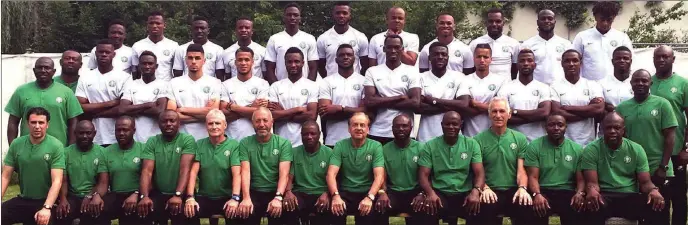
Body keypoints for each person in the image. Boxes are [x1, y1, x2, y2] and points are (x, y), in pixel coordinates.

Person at [616, 69, 677, 224]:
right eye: (636, 80)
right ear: (631, 83)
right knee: (637, 214)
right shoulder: (622, 108)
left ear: (651, 83)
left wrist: (663, 166)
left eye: (644, 80)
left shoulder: (663, 104)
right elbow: (620, 139)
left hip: (659, 168)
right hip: (634, 170)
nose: (640, 83)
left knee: (659, 213)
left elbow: (670, 137)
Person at [582, 112, 666, 225]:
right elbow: (592, 183)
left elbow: (645, 182)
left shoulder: (636, 149)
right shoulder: (592, 149)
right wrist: (591, 190)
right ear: (602, 128)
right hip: (605, 195)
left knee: (655, 204)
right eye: (608, 128)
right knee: (591, 204)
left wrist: (653, 190)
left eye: (616, 128)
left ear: (623, 130)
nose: (612, 131)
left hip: (629, 196)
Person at [472, 97, 532, 225]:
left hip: (512, 189)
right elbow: (477, 172)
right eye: (494, 111)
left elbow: (521, 171)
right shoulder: (478, 140)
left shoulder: (520, 138)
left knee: (525, 205)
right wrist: (485, 188)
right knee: (484, 207)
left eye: (502, 111)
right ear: (489, 115)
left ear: (509, 115)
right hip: (489, 189)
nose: (498, 115)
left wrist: (522, 188)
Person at [418, 111, 484, 225]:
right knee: (428, 207)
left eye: (455, 124)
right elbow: (423, 175)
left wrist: (476, 191)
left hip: (465, 193)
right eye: (447, 124)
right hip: (440, 193)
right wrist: (430, 193)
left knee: (478, 207)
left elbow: (480, 173)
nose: (451, 127)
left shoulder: (472, 144)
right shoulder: (430, 145)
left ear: (461, 125)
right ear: (441, 125)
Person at [1, 107, 65, 225]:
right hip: (23, 199)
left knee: (44, 220)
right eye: (33, 122)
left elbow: (57, 181)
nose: (37, 126)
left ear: (47, 125)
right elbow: (5, 176)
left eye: (41, 122)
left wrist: (46, 208)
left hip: (45, 201)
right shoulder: (16, 144)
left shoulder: (56, 146)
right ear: (27, 124)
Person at [137, 110, 197, 225]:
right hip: (158, 193)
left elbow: (185, 170)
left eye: (172, 121)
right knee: (144, 208)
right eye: (164, 121)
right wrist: (144, 196)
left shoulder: (187, 140)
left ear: (179, 123)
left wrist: (177, 195)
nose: (168, 124)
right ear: (159, 124)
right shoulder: (152, 141)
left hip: (181, 193)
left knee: (188, 212)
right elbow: (147, 171)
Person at [523, 114, 586, 225]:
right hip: (543, 191)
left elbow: (581, 179)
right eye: (551, 125)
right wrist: (537, 194)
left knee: (578, 211)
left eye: (560, 125)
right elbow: (532, 177)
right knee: (534, 212)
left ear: (566, 127)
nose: (556, 128)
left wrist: (580, 193)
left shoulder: (577, 149)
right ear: (545, 127)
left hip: (567, 192)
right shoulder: (534, 146)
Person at [5, 57, 82, 146]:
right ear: (34, 70)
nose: (43, 70)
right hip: (27, 150)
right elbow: (13, 122)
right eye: (39, 67)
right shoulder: (21, 91)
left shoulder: (66, 92)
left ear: (53, 71)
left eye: (47, 68)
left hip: (59, 149)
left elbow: (73, 123)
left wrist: (70, 149)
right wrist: (12, 148)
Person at [650, 45, 688, 225]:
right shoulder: (647, 82)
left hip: (676, 150)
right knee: (659, 198)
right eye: (658, 57)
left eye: (665, 57)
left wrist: (686, 148)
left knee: (678, 196)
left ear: (673, 59)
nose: (661, 60)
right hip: (654, 152)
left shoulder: (682, 84)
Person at [235, 107, 293, 225]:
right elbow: (245, 171)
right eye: (258, 121)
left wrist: (278, 197)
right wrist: (246, 198)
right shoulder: (245, 143)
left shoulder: (283, 143)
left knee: (284, 212)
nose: (261, 124)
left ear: (272, 122)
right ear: (252, 124)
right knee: (245, 212)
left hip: (275, 190)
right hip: (253, 191)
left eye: (265, 120)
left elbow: (284, 174)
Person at [183, 109, 242, 225]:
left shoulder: (233, 145)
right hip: (205, 196)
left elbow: (237, 174)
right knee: (188, 211)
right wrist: (190, 197)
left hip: (227, 196)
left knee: (237, 213)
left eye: (218, 123)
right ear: (206, 126)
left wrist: (235, 198)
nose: (214, 127)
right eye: (210, 123)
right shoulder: (199, 144)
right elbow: (193, 173)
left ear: (225, 125)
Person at [327, 112, 385, 225]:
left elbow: (379, 176)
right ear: (349, 128)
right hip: (345, 193)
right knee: (335, 210)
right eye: (355, 125)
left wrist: (370, 197)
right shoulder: (340, 145)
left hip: (367, 192)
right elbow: (331, 174)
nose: (359, 128)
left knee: (371, 213)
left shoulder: (376, 146)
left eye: (362, 125)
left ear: (368, 129)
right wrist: (335, 196)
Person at [363, 34, 421, 145]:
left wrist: (381, 100)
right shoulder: (372, 71)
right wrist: (399, 98)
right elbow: (369, 102)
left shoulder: (412, 71)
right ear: (384, 49)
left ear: (402, 49)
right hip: (378, 131)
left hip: (405, 133)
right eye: (389, 47)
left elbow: (415, 102)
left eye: (397, 47)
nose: (393, 50)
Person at [76, 39, 131, 147]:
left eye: (107, 52)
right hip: (92, 136)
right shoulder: (85, 77)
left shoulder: (125, 77)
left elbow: (122, 109)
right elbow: (80, 106)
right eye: (101, 52)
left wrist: (94, 112)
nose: (104, 55)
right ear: (96, 53)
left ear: (114, 54)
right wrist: (110, 103)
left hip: (116, 136)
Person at [54, 120, 109, 225]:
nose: (84, 136)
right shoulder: (65, 153)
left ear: (94, 133)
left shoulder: (103, 152)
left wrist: (91, 196)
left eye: (88, 133)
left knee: (98, 212)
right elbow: (63, 180)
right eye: (81, 133)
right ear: (75, 133)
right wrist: (63, 199)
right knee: (61, 213)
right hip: (72, 196)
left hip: (93, 194)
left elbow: (103, 182)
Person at [282, 121, 334, 225]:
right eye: (305, 134)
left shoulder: (329, 153)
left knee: (326, 209)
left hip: (321, 192)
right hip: (300, 192)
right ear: (301, 135)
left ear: (319, 134)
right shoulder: (294, 152)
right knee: (288, 205)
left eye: (313, 133)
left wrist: (327, 194)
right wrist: (288, 192)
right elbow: (289, 177)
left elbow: (334, 178)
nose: (309, 137)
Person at [376, 115, 425, 225]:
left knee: (425, 208)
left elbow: (427, 175)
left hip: (415, 192)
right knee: (379, 206)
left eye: (404, 126)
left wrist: (423, 193)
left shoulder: (422, 148)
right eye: (397, 126)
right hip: (393, 193)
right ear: (392, 128)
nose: (401, 129)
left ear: (411, 128)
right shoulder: (383, 149)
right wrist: (382, 192)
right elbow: (380, 175)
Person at [168, 43, 222, 141]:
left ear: (204, 61)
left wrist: (183, 109)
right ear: (185, 60)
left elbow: (213, 113)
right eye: (190, 58)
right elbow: (172, 116)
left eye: (197, 58)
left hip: (206, 139)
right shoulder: (174, 83)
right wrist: (204, 115)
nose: (193, 61)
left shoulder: (215, 83)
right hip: (181, 139)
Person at [550, 49, 605, 146]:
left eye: (575, 60)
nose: (571, 64)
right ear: (562, 64)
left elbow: (599, 109)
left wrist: (567, 108)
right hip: (564, 143)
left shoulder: (592, 85)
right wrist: (588, 112)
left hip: (588, 143)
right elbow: (557, 112)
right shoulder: (554, 86)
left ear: (581, 63)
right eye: (567, 61)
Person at [416, 42, 467, 142]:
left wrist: (433, 101)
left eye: (443, 54)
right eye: (436, 54)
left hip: (452, 138)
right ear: (429, 58)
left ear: (448, 58)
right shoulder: (420, 77)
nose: (440, 57)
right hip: (426, 136)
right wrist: (452, 105)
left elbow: (464, 104)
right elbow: (418, 108)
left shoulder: (459, 77)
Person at [318, 44, 367, 147]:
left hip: (359, 140)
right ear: (336, 59)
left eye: (349, 54)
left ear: (354, 58)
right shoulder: (326, 82)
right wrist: (357, 112)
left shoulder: (364, 81)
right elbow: (325, 113)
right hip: (333, 140)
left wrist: (340, 108)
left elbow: (367, 112)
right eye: (342, 55)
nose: (345, 57)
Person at [497, 49, 552, 141]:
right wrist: (534, 117)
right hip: (512, 140)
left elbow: (544, 113)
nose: (526, 63)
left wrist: (514, 112)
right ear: (517, 65)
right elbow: (503, 117)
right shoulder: (506, 88)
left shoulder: (543, 87)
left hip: (537, 141)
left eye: (529, 60)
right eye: (522, 61)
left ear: (535, 65)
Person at [268, 47, 318, 147]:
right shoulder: (276, 86)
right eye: (289, 62)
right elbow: (271, 116)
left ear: (303, 63)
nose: (293, 65)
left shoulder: (312, 86)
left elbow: (312, 116)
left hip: (304, 143)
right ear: (285, 63)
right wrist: (297, 109)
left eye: (297, 61)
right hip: (281, 142)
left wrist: (282, 113)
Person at [101, 116, 146, 225]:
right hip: (116, 195)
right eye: (118, 130)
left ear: (134, 131)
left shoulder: (144, 149)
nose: (121, 133)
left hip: (138, 194)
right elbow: (103, 182)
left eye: (125, 130)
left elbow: (150, 177)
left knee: (137, 211)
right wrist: (96, 196)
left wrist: (136, 193)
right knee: (96, 209)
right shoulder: (106, 151)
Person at [573, 1, 632, 81]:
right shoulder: (582, 37)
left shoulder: (622, 38)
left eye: (609, 20)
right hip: (590, 86)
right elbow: (573, 61)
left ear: (614, 17)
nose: (605, 23)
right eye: (602, 19)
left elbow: (631, 63)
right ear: (595, 17)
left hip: (614, 86)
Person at [119, 51, 170, 143]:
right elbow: (122, 109)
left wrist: (134, 108)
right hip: (135, 139)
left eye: (150, 63)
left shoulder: (164, 85)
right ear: (139, 66)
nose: (147, 66)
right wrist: (147, 105)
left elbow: (160, 111)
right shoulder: (131, 84)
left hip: (156, 139)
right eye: (144, 63)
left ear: (156, 66)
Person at [458, 44, 508, 137]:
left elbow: (501, 107)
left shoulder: (501, 80)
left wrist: (475, 104)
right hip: (469, 136)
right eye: (479, 57)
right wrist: (489, 106)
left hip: (493, 136)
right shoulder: (464, 80)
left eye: (485, 57)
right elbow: (465, 107)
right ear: (473, 59)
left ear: (491, 59)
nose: (482, 60)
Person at [220, 47, 270, 141]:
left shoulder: (263, 84)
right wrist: (252, 107)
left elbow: (261, 113)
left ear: (252, 62)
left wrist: (235, 108)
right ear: (235, 63)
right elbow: (223, 113)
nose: (243, 63)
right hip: (232, 139)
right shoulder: (226, 84)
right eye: (240, 60)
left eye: (247, 60)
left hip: (255, 139)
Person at [264, 3, 318, 83]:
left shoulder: (309, 38)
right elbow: (269, 68)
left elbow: (314, 67)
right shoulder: (274, 39)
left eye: (295, 15)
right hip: (281, 87)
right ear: (284, 18)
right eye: (289, 15)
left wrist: (308, 87)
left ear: (300, 18)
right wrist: (276, 87)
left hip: (303, 88)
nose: (292, 17)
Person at [520, 9, 572, 85]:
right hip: (536, 89)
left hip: (560, 88)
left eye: (550, 18)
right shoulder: (527, 44)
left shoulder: (566, 44)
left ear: (554, 22)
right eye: (543, 19)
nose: (547, 21)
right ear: (537, 22)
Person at [317, 1, 369, 76]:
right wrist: (328, 80)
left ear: (350, 15)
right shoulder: (323, 38)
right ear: (333, 15)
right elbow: (321, 66)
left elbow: (365, 65)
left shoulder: (360, 37)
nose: (341, 16)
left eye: (345, 13)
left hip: (355, 84)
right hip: (331, 84)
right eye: (338, 13)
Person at [469, 8, 520, 80]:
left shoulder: (513, 43)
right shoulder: (475, 43)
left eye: (498, 21)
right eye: (490, 21)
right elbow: (471, 68)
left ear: (503, 23)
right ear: (486, 23)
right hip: (482, 86)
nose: (494, 24)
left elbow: (515, 69)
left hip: (504, 87)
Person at [131, 11, 180, 81]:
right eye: (151, 23)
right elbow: (135, 71)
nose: (154, 26)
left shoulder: (174, 46)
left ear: (164, 25)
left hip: (166, 88)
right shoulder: (137, 46)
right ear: (147, 25)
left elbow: (177, 71)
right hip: (144, 87)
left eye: (158, 23)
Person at [598, 46, 633, 114]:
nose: (622, 60)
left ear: (631, 61)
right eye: (618, 58)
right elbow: (599, 106)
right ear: (612, 61)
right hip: (610, 123)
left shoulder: (638, 82)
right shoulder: (601, 84)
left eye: (625, 58)